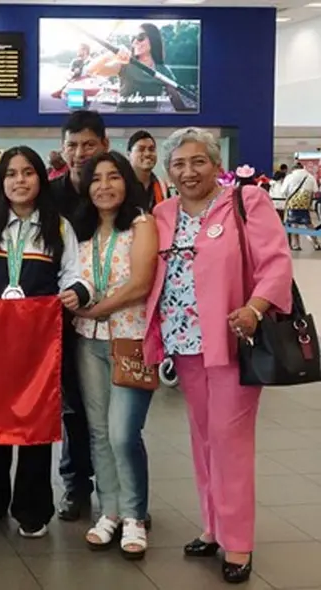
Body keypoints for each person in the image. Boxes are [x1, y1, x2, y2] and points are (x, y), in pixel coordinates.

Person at [142, 127, 293, 584]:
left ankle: (239, 543)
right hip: (184, 346)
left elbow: (276, 263)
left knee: (230, 444)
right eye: (179, 165)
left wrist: (254, 307)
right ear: (168, 171)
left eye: (198, 162)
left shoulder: (246, 203)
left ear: (215, 164)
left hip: (232, 344)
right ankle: (212, 527)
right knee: (203, 440)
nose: (188, 172)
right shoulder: (163, 212)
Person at [0, 146, 91, 538]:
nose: (20, 180)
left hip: (39, 343)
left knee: (34, 419)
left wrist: (76, 290)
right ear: (1, 181)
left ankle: (32, 506)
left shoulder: (58, 226)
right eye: (11, 174)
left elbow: (74, 273)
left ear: (40, 179)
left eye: (28, 172)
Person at [72, 152, 158, 558]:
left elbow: (140, 284)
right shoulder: (81, 231)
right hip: (87, 341)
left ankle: (135, 515)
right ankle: (109, 512)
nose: (104, 186)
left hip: (131, 340)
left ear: (127, 182)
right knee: (99, 433)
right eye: (96, 179)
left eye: (113, 177)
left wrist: (94, 308)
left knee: (124, 433)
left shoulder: (142, 225)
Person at [52, 109, 109, 522]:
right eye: (72, 145)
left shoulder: (116, 193)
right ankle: (75, 485)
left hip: (111, 319)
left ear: (104, 146)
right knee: (71, 405)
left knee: (110, 410)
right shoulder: (48, 196)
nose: (80, 153)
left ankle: (117, 488)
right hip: (57, 321)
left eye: (88, 144)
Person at [86, 23, 180, 112]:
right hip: (123, 123)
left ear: (153, 39)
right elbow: (90, 70)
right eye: (133, 38)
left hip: (150, 123)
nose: (135, 42)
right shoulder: (125, 64)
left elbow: (179, 105)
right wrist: (111, 54)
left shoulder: (164, 71)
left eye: (140, 37)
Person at [281, 162, 320, 251]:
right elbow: (315, 190)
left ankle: (296, 245)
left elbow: (282, 190)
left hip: (293, 203)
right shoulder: (309, 176)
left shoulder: (289, 177)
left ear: (293, 169)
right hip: (305, 204)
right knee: (308, 224)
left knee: (293, 224)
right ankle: (316, 243)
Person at [127, 130, 167, 209]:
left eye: (151, 149)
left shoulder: (162, 187)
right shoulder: (120, 184)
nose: (147, 154)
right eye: (141, 149)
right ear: (129, 154)